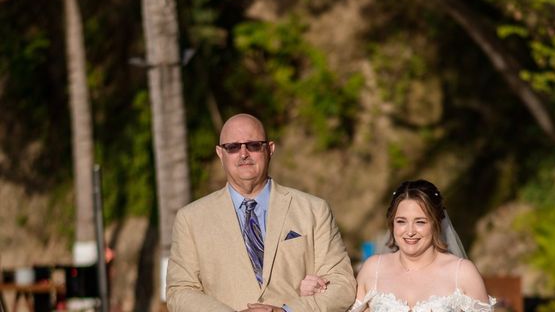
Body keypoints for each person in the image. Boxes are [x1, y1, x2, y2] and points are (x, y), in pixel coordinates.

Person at [166, 113, 357, 312]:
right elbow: (180, 291)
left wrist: (287, 311)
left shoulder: (314, 210)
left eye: (253, 145)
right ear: (220, 153)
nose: (243, 154)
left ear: (270, 149)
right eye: (232, 147)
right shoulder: (191, 219)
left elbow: (342, 285)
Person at [348, 180, 495, 312]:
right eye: (401, 221)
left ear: (436, 224)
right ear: (392, 224)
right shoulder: (373, 268)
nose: (410, 231)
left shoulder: (462, 273)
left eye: (420, 222)